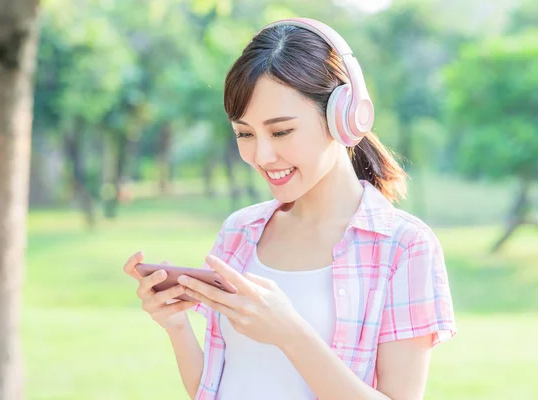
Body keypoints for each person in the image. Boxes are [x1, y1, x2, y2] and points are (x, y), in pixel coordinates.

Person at [123, 17, 456, 400]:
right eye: (244, 134)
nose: (261, 155)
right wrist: (177, 325)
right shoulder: (241, 231)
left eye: (281, 131)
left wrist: (291, 334)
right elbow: (216, 387)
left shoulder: (404, 247)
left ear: (345, 117)